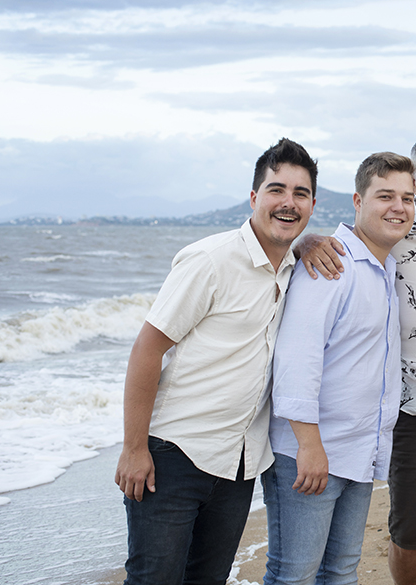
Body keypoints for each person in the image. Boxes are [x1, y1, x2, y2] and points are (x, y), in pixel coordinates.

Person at [113, 137, 317, 585]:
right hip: (174, 456)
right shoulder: (210, 260)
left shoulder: (294, 267)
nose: (288, 202)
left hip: (239, 464)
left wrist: (309, 244)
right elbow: (147, 348)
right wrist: (133, 448)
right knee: (154, 579)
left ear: (312, 205)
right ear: (254, 197)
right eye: (276, 190)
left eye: (300, 194)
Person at [296, 131, 416, 585]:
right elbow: (345, 246)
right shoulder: (394, 234)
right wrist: (301, 243)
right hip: (414, 411)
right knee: (412, 533)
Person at [262, 152, 415, 585]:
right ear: (357, 200)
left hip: (358, 452)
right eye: (385, 195)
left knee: (341, 573)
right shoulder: (330, 263)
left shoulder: (385, 267)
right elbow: (297, 357)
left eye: (407, 197)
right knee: (294, 574)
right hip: (310, 453)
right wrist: (309, 446)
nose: (398, 207)